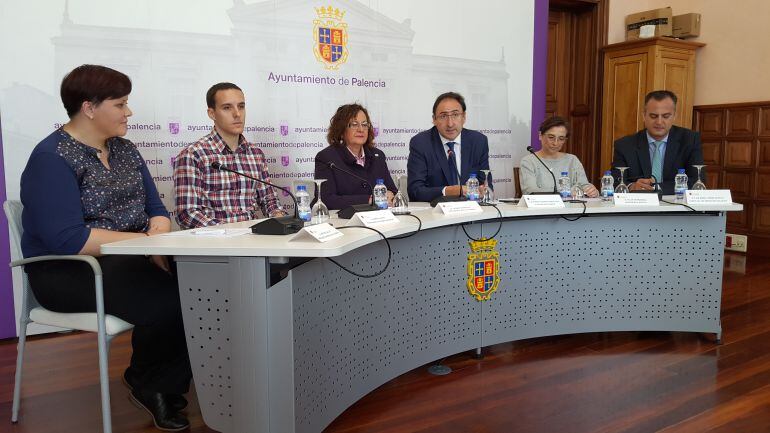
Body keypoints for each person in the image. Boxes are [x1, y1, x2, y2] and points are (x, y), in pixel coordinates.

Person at [19, 65, 191, 431]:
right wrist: (147, 243)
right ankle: (151, 384)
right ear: (89, 108)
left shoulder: (125, 150)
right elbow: (70, 239)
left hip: (128, 260)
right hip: (69, 270)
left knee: (205, 286)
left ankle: (159, 378)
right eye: (120, 104)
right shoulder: (52, 158)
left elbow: (157, 211)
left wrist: (157, 239)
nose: (129, 112)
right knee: (175, 300)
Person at [174, 82, 285, 229]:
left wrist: (279, 216)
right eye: (227, 108)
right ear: (212, 113)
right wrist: (228, 232)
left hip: (253, 237)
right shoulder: (193, 155)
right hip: (215, 240)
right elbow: (187, 214)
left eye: (241, 106)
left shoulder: (255, 154)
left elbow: (269, 200)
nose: (237, 114)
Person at [612, 90, 705, 194]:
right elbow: (615, 181)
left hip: (676, 202)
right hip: (640, 202)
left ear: (674, 116)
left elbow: (698, 180)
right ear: (644, 116)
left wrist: (656, 188)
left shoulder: (690, 140)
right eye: (653, 116)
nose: (659, 122)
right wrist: (631, 186)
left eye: (666, 116)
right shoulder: (624, 145)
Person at [407, 92, 489, 202]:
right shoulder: (421, 143)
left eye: (455, 115)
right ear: (434, 119)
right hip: (436, 210)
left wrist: (483, 191)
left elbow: (486, 184)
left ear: (464, 117)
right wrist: (448, 191)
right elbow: (415, 191)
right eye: (443, 116)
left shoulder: (478, 141)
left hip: (471, 208)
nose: (450, 124)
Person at [314, 103, 397, 210]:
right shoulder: (327, 158)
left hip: (378, 217)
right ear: (341, 130)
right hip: (342, 218)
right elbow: (326, 199)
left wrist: (391, 196)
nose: (361, 129)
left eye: (364, 124)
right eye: (354, 124)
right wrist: (369, 200)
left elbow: (392, 190)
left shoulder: (377, 156)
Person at [519, 116, 599, 197]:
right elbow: (531, 191)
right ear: (540, 135)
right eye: (551, 137)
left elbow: (584, 186)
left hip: (572, 205)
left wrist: (592, 191)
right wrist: (567, 193)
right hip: (542, 205)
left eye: (561, 139)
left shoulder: (572, 160)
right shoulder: (528, 161)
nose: (555, 143)